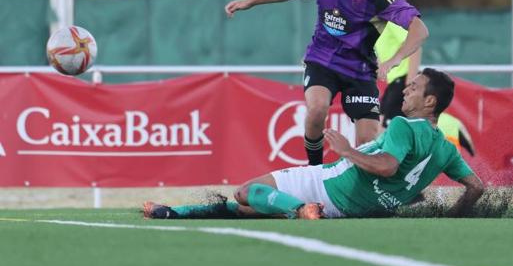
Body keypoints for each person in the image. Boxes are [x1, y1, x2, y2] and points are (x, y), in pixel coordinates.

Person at [224, 0, 428, 165]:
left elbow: (420, 29)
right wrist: (250, 1)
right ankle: (315, 169)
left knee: (368, 142)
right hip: (321, 60)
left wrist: (395, 60)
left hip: (360, 70)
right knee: (317, 108)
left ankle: (359, 194)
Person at [143, 68, 484, 220]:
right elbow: (475, 187)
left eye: (415, 87)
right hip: (349, 208)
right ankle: (172, 212)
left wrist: (347, 150)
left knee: (245, 193)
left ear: (430, 103)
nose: (407, 90)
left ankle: (299, 210)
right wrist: (453, 216)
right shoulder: (445, 149)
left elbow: (389, 166)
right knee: (250, 210)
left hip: (327, 184)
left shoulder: (405, 125)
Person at [375, 23, 475, 156]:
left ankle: (448, 125)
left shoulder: (389, 23)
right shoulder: (373, 26)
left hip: (402, 80)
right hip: (393, 82)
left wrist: (410, 84)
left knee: (384, 132)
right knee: (381, 128)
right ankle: (448, 124)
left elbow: (415, 48)